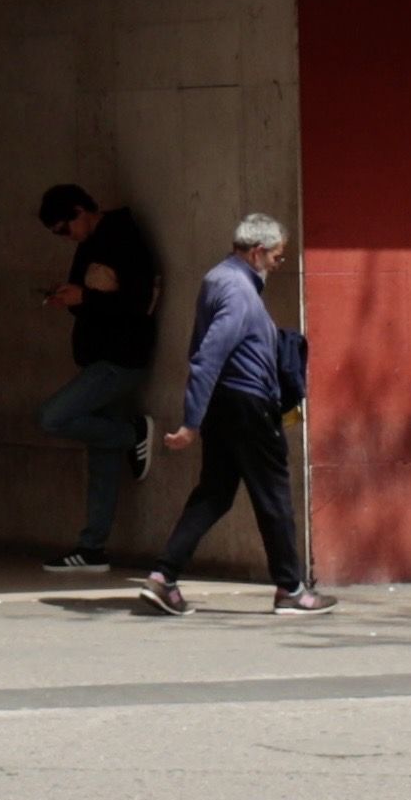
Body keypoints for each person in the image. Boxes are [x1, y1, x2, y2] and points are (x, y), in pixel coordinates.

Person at [140, 212, 330, 615]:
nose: (278, 266)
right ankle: (291, 590)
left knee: (214, 494)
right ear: (258, 253)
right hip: (247, 406)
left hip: (226, 406)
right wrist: (190, 423)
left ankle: (163, 577)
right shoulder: (239, 292)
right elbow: (208, 355)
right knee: (273, 497)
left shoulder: (219, 279)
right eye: (277, 258)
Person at [28, 183, 167, 575]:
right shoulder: (88, 244)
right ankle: (92, 549)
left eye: (63, 228)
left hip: (120, 358)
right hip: (98, 357)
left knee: (52, 417)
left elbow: (139, 302)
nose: (65, 237)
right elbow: (88, 304)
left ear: (79, 210)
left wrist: (85, 300)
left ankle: (133, 433)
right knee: (101, 458)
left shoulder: (125, 236)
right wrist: (70, 299)